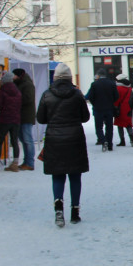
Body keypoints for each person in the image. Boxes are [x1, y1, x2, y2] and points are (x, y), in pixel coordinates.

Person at [36, 63, 90, 227]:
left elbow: (41, 118)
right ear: (70, 78)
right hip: (75, 138)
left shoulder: (47, 94)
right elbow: (85, 117)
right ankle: (75, 211)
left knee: (58, 174)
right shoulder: (77, 94)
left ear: (55, 78)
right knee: (75, 175)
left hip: (54, 138)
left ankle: (58, 208)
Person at [0, 71, 22, 173]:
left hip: (5, 119)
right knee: (15, 141)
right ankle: (15, 164)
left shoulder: (2, 91)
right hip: (16, 119)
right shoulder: (18, 92)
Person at [85, 68, 118, 151]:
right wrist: (111, 102)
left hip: (98, 109)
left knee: (99, 127)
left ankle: (103, 141)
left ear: (98, 75)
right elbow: (116, 96)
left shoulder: (94, 84)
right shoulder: (112, 83)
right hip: (109, 109)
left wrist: (94, 103)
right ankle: (110, 144)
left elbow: (90, 96)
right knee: (109, 127)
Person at [11, 68, 36, 170]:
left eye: (14, 75)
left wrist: (15, 100)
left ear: (19, 75)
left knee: (27, 140)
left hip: (26, 116)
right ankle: (26, 162)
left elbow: (28, 99)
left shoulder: (27, 85)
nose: (13, 77)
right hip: (20, 116)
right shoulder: (18, 84)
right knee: (23, 140)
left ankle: (30, 163)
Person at [114, 74, 133, 147]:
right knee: (128, 125)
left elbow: (116, 99)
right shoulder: (130, 88)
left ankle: (122, 141)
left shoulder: (118, 88)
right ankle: (132, 140)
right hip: (128, 108)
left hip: (120, 109)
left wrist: (115, 107)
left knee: (120, 125)